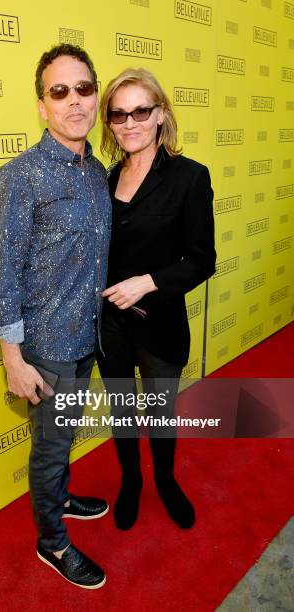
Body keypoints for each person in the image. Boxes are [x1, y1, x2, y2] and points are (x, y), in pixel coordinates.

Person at [0, 44, 111, 589]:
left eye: (83, 88)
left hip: (89, 338)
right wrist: (12, 356)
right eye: (59, 91)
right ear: (42, 105)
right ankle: (52, 541)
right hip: (46, 347)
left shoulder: (97, 170)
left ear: (95, 94)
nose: (74, 101)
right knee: (52, 445)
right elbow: (6, 274)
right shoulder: (20, 177)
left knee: (62, 440)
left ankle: (60, 497)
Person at [97, 68, 216, 531]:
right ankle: (131, 481)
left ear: (160, 114)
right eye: (119, 114)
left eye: (141, 111)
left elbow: (201, 260)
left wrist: (148, 281)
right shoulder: (105, 180)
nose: (130, 122)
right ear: (108, 123)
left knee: (160, 409)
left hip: (161, 322)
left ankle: (165, 479)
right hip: (110, 326)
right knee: (124, 410)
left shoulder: (190, 177)